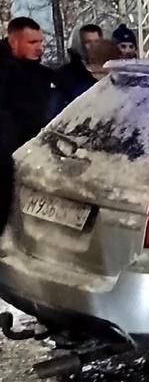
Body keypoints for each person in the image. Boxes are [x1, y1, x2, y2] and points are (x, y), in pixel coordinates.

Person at [0, 17, 56, 235]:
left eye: (41, 42)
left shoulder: (38, 73)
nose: (40, 48)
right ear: (14, 42)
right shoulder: (6, 73)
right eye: (32, 42)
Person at [55, 38, 121, 113]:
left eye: (105, 73)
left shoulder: (122, 91)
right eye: (97, 73)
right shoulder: (84, 92)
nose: (102, 79)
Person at [56, 24, 104, 104]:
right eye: (88, 42)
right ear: (78, 45)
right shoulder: (65, 75)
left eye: (96, 41)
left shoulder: (112, 69)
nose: (93, 46)